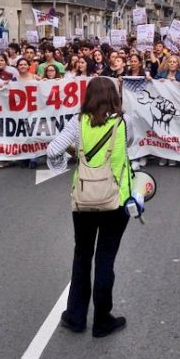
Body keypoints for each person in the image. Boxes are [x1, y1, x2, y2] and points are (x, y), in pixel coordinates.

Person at [47, 76, 132, 338]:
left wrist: (75, 154)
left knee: (82, 256)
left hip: (83, 200)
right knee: (106, 259)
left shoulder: (77, 122)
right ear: (113, 97)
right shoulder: (123, 122)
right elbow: (128, 146)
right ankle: (102, 320)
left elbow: (52, 150)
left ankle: (75, 317)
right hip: (115, 200)